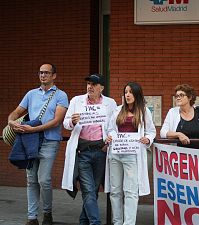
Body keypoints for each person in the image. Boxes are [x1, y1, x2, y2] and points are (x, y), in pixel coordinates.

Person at [7, 63, 69, 225]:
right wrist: (11, 121)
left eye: (47, 73)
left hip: (49, 141)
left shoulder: (61, 95)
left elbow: (57, 121)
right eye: (41, 73)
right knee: (31, 179)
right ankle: (32, 217)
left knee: (44, 180)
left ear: (54, 76)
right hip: (30, 141)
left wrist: (33, 129)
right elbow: (17, 111)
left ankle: (47, 213)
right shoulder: (31, 94)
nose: (43, 76)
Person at [61, 74, 117, 225]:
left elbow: (113, 126)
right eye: (88, 84)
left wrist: (109, 140)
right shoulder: (76, 100)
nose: (90, 87)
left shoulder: (110, 103)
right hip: (82, 152)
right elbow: (66, 123)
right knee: (88, 189)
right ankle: (95, 222)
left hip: (101, 151)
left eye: (94, 84)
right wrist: (72, 121)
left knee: (93, 190)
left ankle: (83, 221)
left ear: (102, 88)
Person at [105, 82, 156, 225]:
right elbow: (110, 129)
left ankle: (128, 223)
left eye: (131, 92)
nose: (127, 95)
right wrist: (109, 136)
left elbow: (151, 131)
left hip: (132, 156)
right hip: (115, 153)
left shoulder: (144, 111)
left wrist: (148, 139)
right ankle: (117, 222)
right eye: (126, 92)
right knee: (115, 191)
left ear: (137, 94)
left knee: (130, 191)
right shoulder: (117, 110)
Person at [160, 84, 199, 149]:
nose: (178, 98)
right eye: (176, 96)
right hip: (178, 155)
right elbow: (163, 133)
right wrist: (178, 134)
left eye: (181, 95)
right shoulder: (172, 112)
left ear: (190, 97)